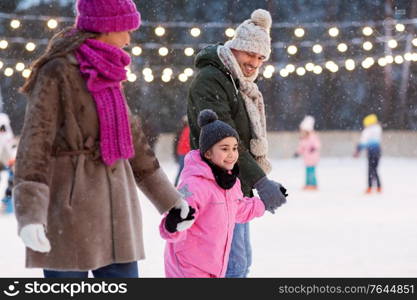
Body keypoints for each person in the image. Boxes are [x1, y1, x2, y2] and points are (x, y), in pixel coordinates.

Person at [13, 0, 191, 278]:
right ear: (106, 28)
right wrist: (30, 215)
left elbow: (136, 145)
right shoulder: (57, 71)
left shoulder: (111, 72)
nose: (130, 38)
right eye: (126, 29)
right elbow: (34, 145)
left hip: (117, 214)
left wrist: (170, 201)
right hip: (69, 212)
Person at [187, 9, 288, 277]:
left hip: (233, 185)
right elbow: (224, 139)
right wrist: (260, 181)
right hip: (216, 186)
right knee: (229, 266)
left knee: (240, 263)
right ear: (235, 49)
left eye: (260, 58)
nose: (254, 62)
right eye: (250, 54)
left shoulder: (236, 83)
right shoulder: (212, 80)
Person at [160, 110, 286, 278]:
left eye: (234, 148)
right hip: (188, 268)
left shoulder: (230, 182)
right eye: (224, 148)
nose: (232, 154)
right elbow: (176, 218)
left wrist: (264, 203)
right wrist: (172, 223)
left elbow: (238, 208)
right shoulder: (194, 184)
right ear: (208, 153)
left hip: (215, 267)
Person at [353, 113, 382, 194]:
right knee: (375, 169)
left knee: (370, 170)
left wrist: (358, 150)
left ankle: (370, 187)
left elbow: (363, 141)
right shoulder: (378, 129)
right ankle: (379, 187)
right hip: (378, 151)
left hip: (371, 152)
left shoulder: (368, 130)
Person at [294, 115, 321, 190]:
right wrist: (297, 153)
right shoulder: (303, 139)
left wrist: (313, 148)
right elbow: (301, 147)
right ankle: (308, 184)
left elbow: (317, 144)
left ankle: (313, 184)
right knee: (307, 172)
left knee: (311, 172)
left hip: (313, 158)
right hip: (306, 159)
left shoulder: (313, 136)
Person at [173, 115, 190, 186]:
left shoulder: (184, 130)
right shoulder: (181, 130)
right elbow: (176, 143)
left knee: (185, 171)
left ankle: (184, 186)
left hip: (185, 153)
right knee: (183, 170)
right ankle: (178, 185)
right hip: (184, 153)